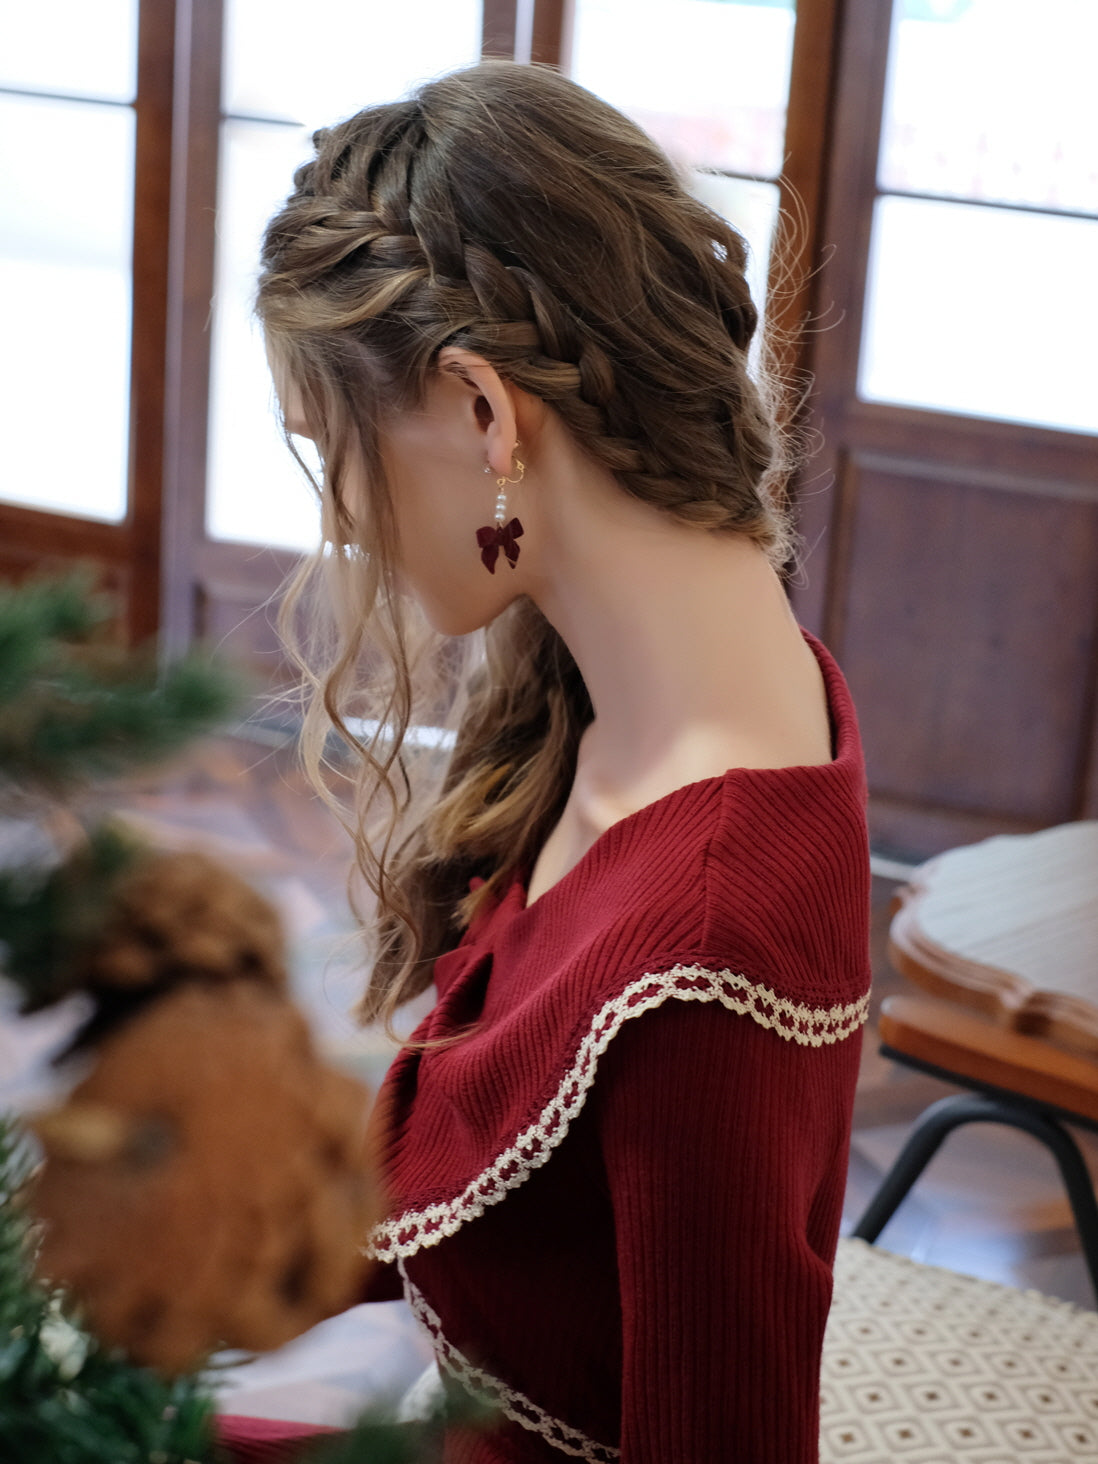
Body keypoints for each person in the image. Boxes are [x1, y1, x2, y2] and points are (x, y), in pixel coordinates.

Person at [246, 59, 871, 1464]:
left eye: (328, 447)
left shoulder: (703, 944)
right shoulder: (684, 691)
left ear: (482, 413)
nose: (340, 516)